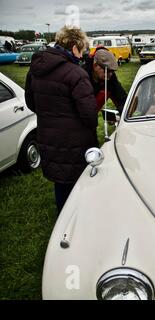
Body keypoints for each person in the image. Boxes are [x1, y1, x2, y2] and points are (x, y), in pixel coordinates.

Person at [25, 26, 98, 214]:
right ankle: (78, 221)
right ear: (74, 47)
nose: (82, 56)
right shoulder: (76, 74)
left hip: (48, 137)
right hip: (75, 141)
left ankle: (63, 219)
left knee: (61, 182)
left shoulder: (34, 70)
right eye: (82, 51)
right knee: (78, 182)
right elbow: (89, 114)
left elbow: (31, 103)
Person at [82, 47, 127, 114]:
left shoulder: (111, 78)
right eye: (107, 71)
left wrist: (120, 112)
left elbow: (122, 99)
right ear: (95, 66)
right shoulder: (82, 76)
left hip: (91, 115)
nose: (110, 75)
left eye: (112, 71)